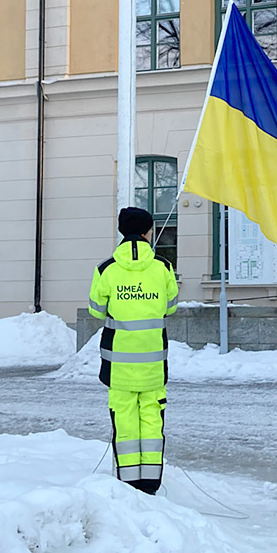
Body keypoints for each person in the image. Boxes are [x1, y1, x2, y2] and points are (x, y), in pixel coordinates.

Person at [87, 207, 179, 495]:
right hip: (153, 365)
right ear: (147, 231)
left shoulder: (106, 269)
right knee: (152, 421)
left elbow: (95, 309)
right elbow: (171, 307)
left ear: (121, 231)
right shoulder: (162, 267)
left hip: (118, 367)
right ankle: (151, 483)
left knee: (125, 422)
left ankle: (128, 483)